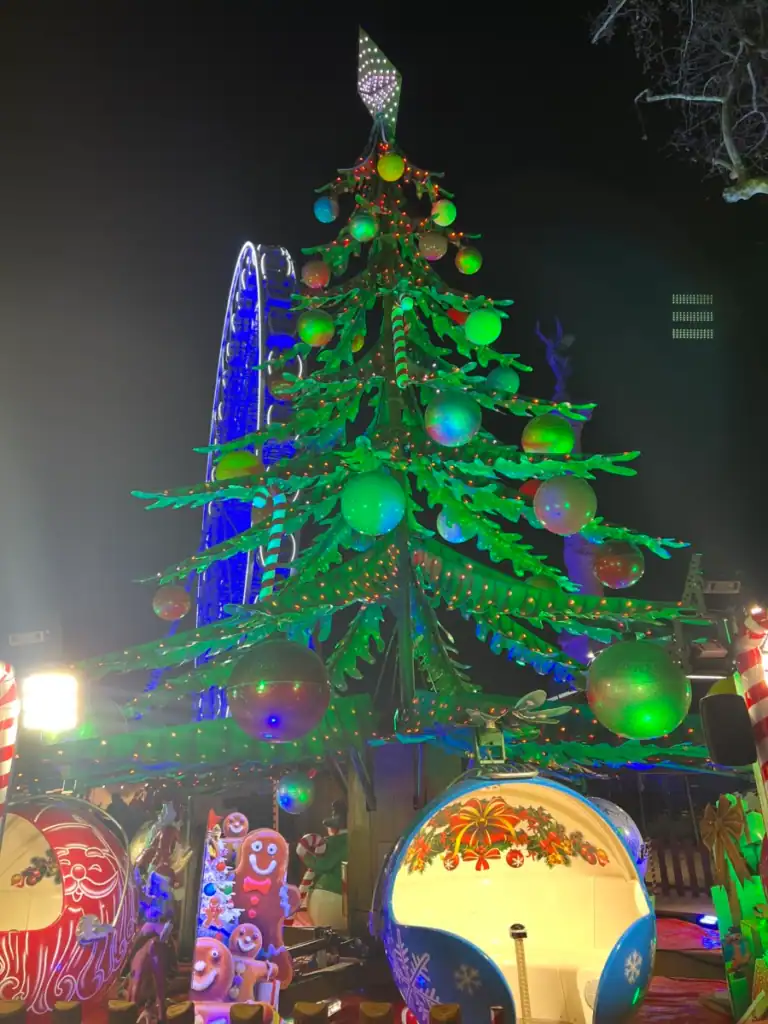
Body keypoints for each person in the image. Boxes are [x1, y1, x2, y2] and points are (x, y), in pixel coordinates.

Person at [304, 800, 348, 932]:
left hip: (331, 894)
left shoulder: (335, 842)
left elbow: (323, 864)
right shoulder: (357, 839)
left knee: (326, 933)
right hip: (344, 896)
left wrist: (305, 855)